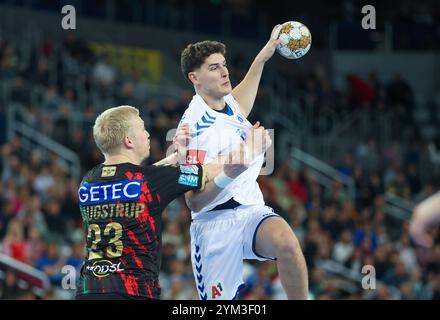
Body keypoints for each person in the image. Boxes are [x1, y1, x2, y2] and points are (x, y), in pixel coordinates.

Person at [75, 105, 271, 300]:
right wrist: (250, 149)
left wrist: (175, 158)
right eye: (143, 129)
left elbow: (137, 181)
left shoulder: (88, 181)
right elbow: (208, 171)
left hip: (88, 289)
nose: (148, 134)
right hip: (132, 292)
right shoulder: (150, 181)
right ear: (129, 140)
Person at [177, 26, 308, 300]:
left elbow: (240, 101)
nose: (225, 72)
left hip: (251, 212)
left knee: (287, 244)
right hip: (214, 225)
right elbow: (194, 201)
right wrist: (231, 169)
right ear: (194, 77)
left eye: (224, 65)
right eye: (214, 68)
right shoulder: (191, 131)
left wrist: (264, 55)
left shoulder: (228, 104)